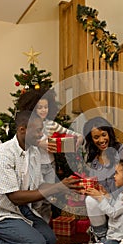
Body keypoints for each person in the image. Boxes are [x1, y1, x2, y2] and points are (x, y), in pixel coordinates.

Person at [0, 111, 81, 244]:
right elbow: (15, 197)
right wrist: (58, 187)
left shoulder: (34, 152)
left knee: (49, 241)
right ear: (22, 129)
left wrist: (66, 187)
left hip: (21, 210)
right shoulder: (2, 155)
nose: (41, 135)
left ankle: (9, 235)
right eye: (38, 130)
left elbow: (39, 187)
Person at [17, 88, 83, 222]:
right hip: (34, 165)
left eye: (46, 107)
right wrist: (39, 143)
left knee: (48, 198)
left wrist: (79, 138)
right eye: (39, 107)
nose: (43, 110)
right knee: (37, 199)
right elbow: (22, 143)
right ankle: (34, 225)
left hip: (50, 165)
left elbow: (73, 134)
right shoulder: (28, 124)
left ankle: (45, 224)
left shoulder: (52, 125)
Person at [83, 116, 123, 241]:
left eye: (103, 135)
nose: (101, 140)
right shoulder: (95, 160)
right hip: (108, 199)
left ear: (109, 133)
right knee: (90, 199)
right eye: (96, 137)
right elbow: (98, 186)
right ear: (91, 140)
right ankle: (100, 237)